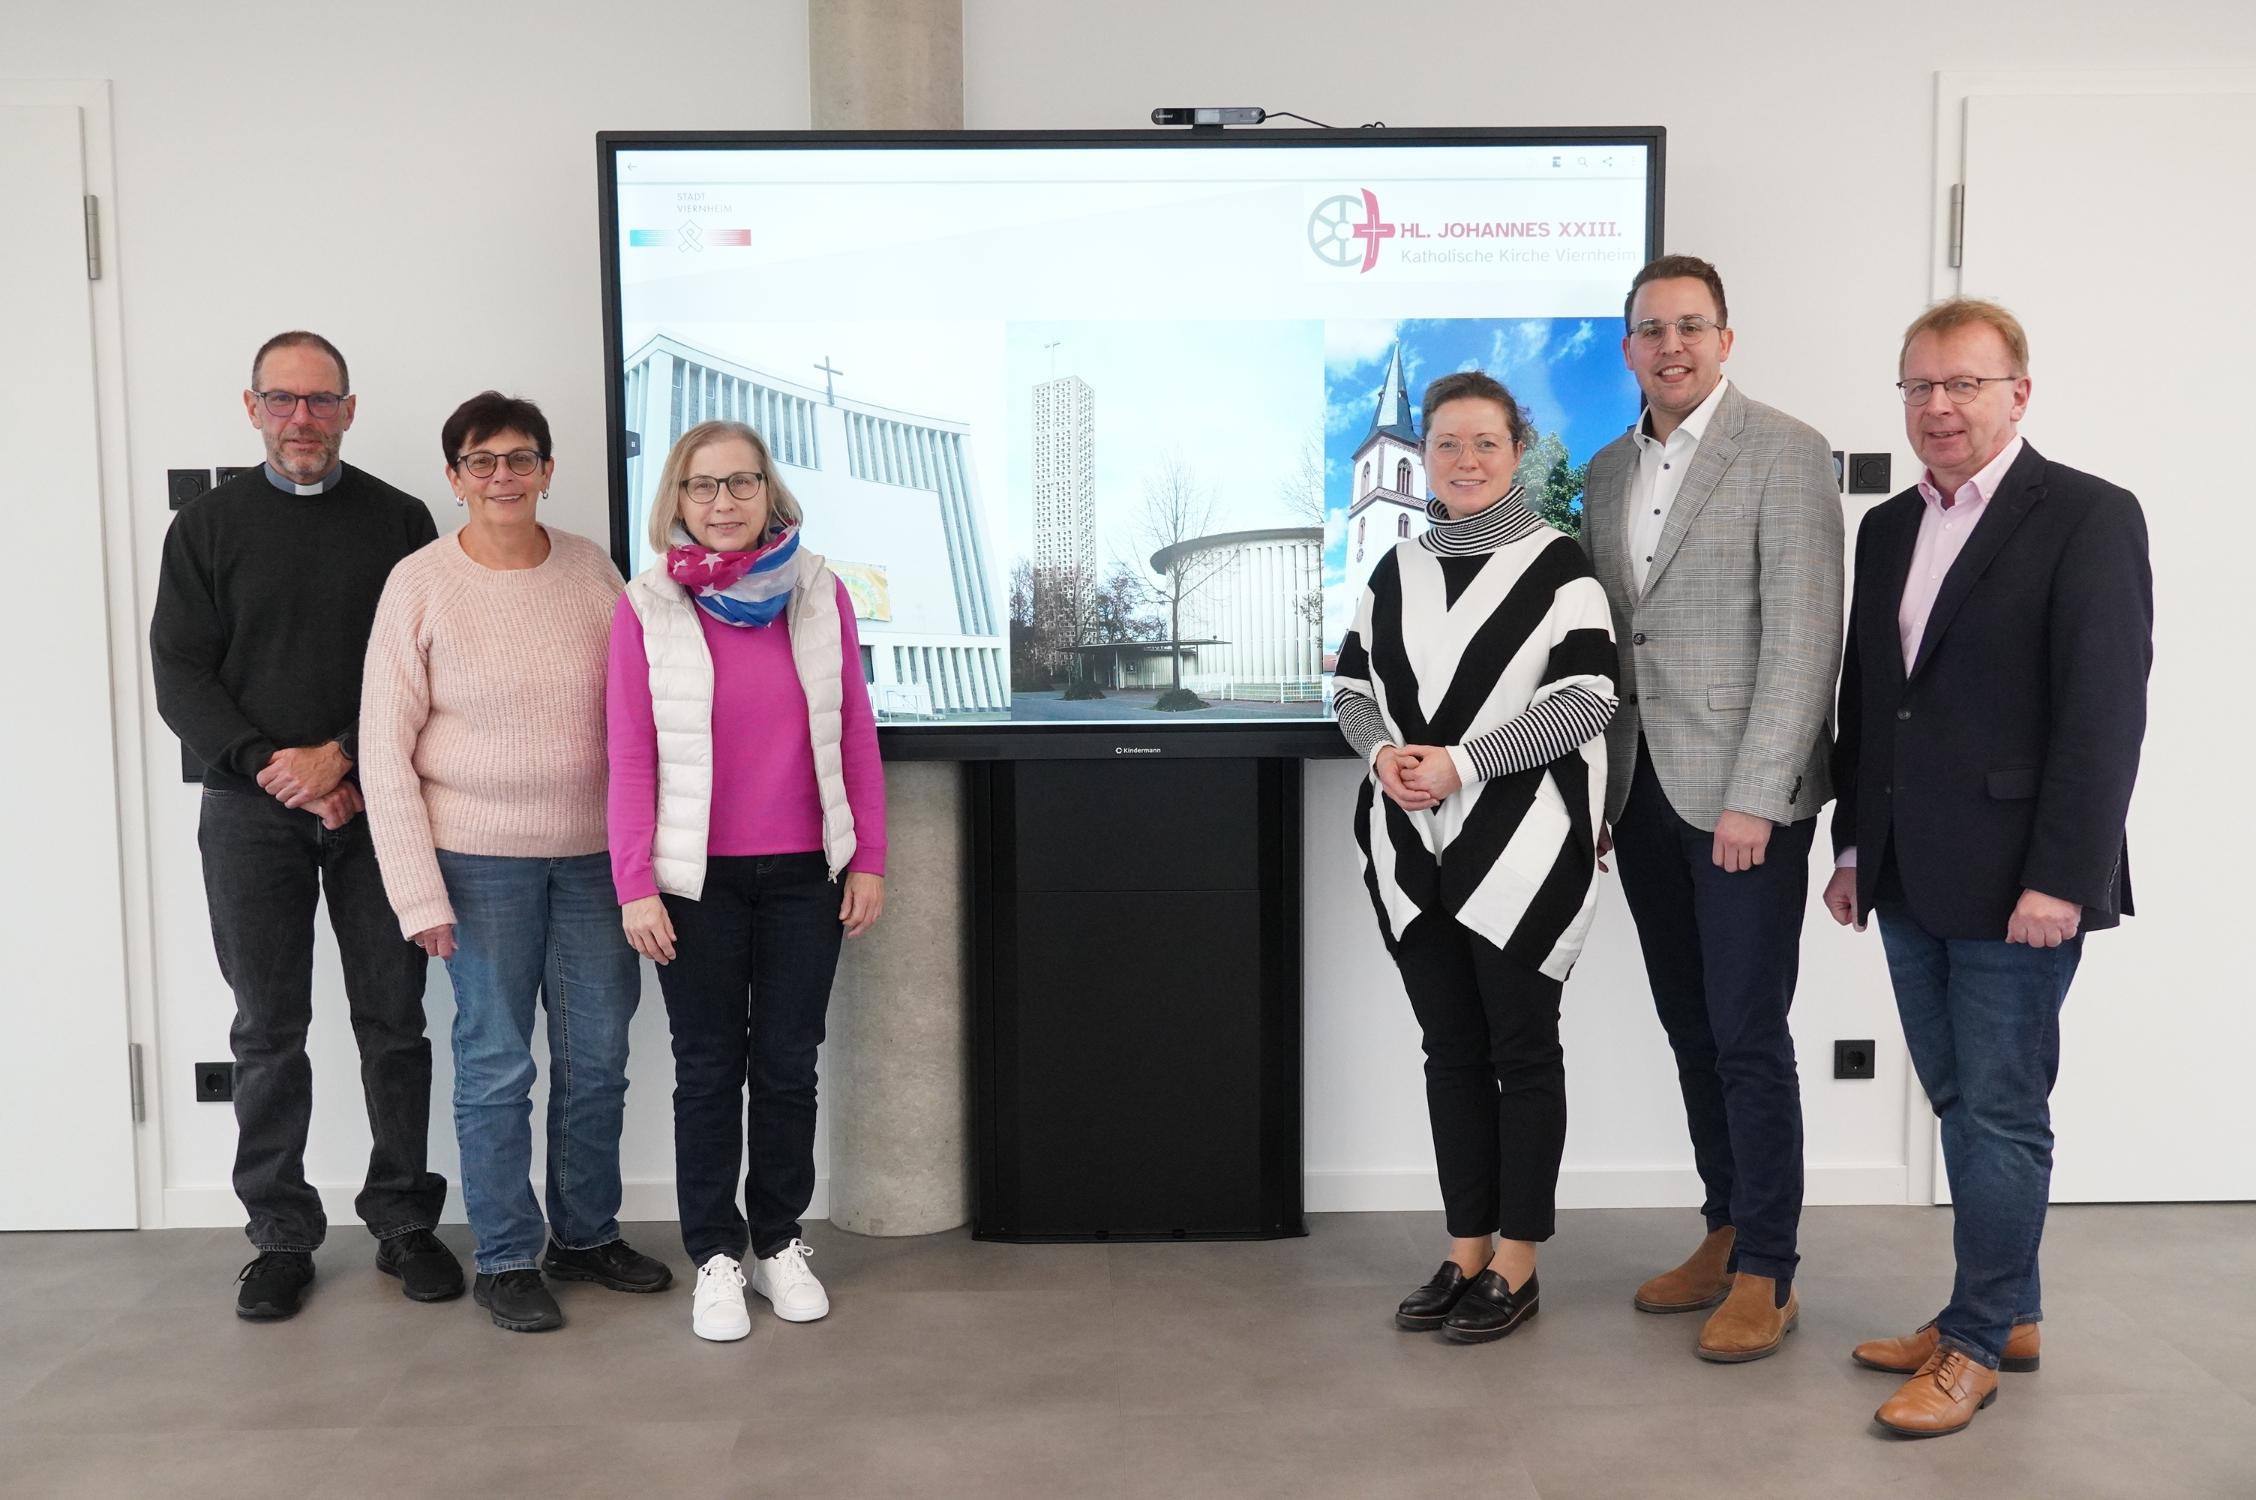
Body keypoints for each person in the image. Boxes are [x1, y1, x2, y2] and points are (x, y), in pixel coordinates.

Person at [1826, 299, 2150, 1437]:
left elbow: (2103, 719)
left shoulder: (2088, 517)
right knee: (1963, 1100)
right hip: (1910, 871)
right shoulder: (1886, 529)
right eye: (1918, 386)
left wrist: (2062, 879)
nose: (1939, 407)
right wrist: (1854, 844)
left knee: (2002, 1114)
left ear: (2019, 391)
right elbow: (1873, 701)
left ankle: (1970, 1347)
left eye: (1963, 384)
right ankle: (2009, 1310)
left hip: (2024, 881)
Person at [151, 330, 459, 1319]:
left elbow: (427, 663)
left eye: (321, 401)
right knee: (267, 1029)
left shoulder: (400, 521)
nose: (302, 420)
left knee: (394, 1020)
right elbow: (181, 675)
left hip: (379, 808)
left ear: (350, 410)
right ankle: (280, 1236)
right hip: (249, 816)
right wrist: (274, 768)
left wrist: (343, 756)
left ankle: (404, 1221)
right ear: (252, 409)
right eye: (282, 401)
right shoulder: (205, 526)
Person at [359, 392, 671, 1333]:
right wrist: (418, 894)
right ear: (453, 478)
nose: (504, 475)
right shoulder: (417, 583)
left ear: (546, 470)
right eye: (482, 460)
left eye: (522, 458)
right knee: (495, 1066)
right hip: (476, 866)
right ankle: (503, 1256)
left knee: (598, 1060)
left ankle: (583, 1236)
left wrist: (641, 862)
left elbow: (638, 717)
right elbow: (384, 748)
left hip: (590, 862)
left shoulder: (591, 572)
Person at [1579, 255, 1844, 1362]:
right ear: (1629, 348)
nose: (1673, 345)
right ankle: (1725, 1228)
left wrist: (1756, 798)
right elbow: (1604, 645)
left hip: (1742, 804)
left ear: (1725, 339)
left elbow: (1802, 639)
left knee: (1746, 1033)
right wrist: (1595, 791)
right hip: (1639, 793)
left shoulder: (1785, 452)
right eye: (1652, 329)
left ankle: (1770, 1272)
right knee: (1691, 1029)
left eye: (1693, 326)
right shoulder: (1601, 472)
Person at [1333, 371, 1618, 1345]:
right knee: (1449, 1050)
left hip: (1525, 851)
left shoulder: (1559, 566)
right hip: (1413, 846)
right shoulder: (1395, 572)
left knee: (1521, 1053)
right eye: (1446, 443)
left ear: (1516, 451)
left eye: (1484, 443)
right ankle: (1464, 1250)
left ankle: (1520, 1260)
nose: (1464, 461)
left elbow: (1587, 700)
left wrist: (1459, 763)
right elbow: (1349, 691)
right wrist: (1382, 753)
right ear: (1426, 454)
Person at [607, 418, 888, 1342]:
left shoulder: (818, 590)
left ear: (770, 492)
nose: (722, 504)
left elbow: (853, 731)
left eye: (740, 483)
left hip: (808, 873)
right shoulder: (647, 605)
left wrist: (870, 857)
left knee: (787, 1066)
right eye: (701, 486)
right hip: (694, 885)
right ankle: (716, 1257)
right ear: (676, 501)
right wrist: (634, 883)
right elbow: (631, 756)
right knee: (706, 1070)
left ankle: (777, 1241)